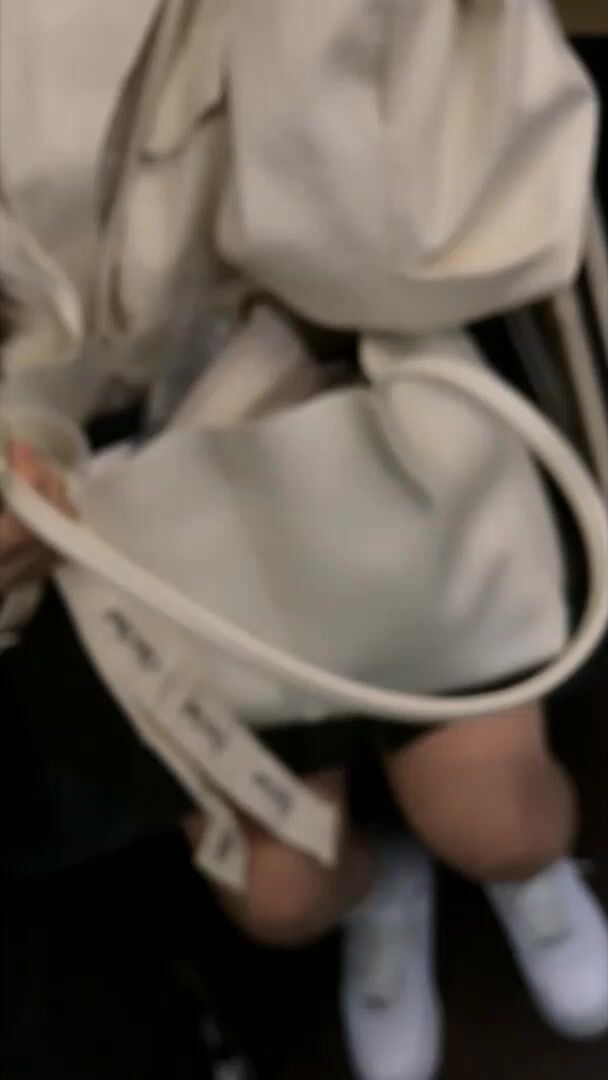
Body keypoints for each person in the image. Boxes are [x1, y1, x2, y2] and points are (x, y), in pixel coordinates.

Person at [2, 5, 608, 1080]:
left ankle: (519, 873)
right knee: (279, 896)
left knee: (498, 821)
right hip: (130, 496)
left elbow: (432, 237)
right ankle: (385, 895)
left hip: (376, 386)